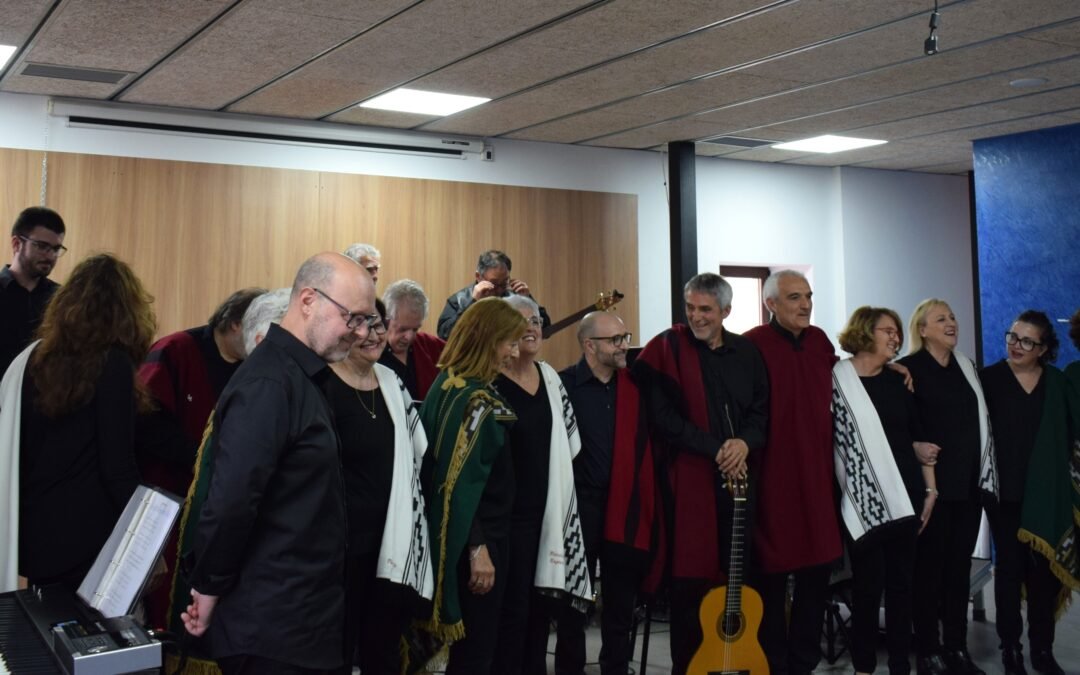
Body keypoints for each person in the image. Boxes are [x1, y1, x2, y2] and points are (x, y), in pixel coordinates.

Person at [181, 252, 377, 675]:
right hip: (273, 628)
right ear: (308, 300)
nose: (360, 333)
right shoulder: (269, 382)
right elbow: (232, 501)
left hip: (303, 622)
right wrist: (209, 588)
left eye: (367, 321)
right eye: (353, 318)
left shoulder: (304, 377)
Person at [632, 272, 768, 675]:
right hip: (688, 481)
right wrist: (719, 450)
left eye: (705, 309)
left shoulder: (747, 353)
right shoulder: (668, 347)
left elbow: (761, 412)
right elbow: (663, 419)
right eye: (690, 307)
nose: (696, 316)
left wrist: (743, 443)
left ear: (726, 310)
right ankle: (688, 667)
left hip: (741, 482)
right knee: (689, 585)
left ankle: (736, 661)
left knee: (740, 578)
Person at [0, 253, 155, 592]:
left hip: (36, 528)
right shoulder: (111, 364)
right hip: (87, 535)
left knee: (47, 632)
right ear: (126, 310)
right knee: (89, 639)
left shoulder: (34, 359)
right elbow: (117, 466)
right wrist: (143, 535)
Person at [136, 287, 265, 629]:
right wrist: (203, 461)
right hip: (167, 503)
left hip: (219, 507)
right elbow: (144, 423)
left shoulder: (254, 370)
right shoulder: (175, 350)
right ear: (236, 324)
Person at [417, 297, 526, 675]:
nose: (514, 352)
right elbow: (462, 485)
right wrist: (479, 548)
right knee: (476, 652)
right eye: (509, 342)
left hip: (464, 536)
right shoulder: (475, 401)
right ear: (486, 339)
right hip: (479, 541)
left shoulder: (447, 383)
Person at [743, 270, 841, 675]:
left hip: (817, 478)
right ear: (771, 304)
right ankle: (773, 662)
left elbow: (847, 383)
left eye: (808, 296)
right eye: (795, 297)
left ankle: (803, 662)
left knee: (816, 576)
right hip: (773, 479)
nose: (805, 305)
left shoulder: (820, 341)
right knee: (772, 577)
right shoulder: (751, 345)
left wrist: (895, 371)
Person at [326, 298, 432, 675]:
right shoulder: (321, 383)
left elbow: (419, 450)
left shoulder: (391, 381)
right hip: (338, 546)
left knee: (383, 648)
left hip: (391, 542)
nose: (373, 336)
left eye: (378, 325)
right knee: (335, 648)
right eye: (362, 325)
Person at [832, 306, 938, 675]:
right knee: (866, 588)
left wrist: (931, 491)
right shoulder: (836, 380)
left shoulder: (899, 381)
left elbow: (917, 438)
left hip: (905, 494)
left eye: (897, 332)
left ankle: (898, 667)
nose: (896, 338)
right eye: (887, 331)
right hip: (861, 499)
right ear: (864, 333)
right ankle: (863, 667)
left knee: (900, 588)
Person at [491, 295, 591, 675]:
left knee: (540, 612)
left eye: (536, 319)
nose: (532, 326)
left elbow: (570, 448)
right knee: (509, 616)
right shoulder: (489, 379)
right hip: (505, 521)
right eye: (521, 320)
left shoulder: (551, 378)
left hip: (545, 517)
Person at [899, 299, 998, 675]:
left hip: (968, 487)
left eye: (952, 317)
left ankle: (957, 648)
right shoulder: (907, 370)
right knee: (928, 573)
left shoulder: (967, 368)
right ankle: (928, 650)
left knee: (959, 573)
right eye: (941, 319)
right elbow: (900, 428)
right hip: (930, 492)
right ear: (922, 330)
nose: (951, 323)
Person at [557, 310, 657, 675]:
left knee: (620, 600)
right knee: (573, 601)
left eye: (625, 336)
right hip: (579, 505)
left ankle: (617, 667)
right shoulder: (562, 385)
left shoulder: (635, 386)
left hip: (624, 505)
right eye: (615, 340)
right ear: (589, 345)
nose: (624, 346)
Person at [981, 310, 1078, 675]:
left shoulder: (1057, 383)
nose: (1015, 345)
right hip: (1004, 496)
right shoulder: (988, 379)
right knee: (1008, 572)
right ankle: (1011, 650)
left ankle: (1042, 650)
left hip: (1047, 497)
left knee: (1045, 576)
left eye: (1026, 341)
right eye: (1012, 336)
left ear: (1043, 348)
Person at [1, 206, 66, 375]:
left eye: (56, 249)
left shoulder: (62, 299)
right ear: (17, 244)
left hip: (45, 398)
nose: (50, 256)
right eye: (42, 246)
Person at [436, 249, 551, 340]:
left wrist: (528, 301)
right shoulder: (460, 299)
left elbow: (546, 330)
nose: (500, 290)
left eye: (504, 283)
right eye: (494, 284)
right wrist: (473, 303)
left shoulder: (514, 297)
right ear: (478, 277)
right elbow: (445, 335)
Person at [378, 279, 446, 400]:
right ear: (386, 319)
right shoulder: (371, 353)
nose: (409, 337)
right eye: (402, 329)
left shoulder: (429, 346)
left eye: (415, 329)